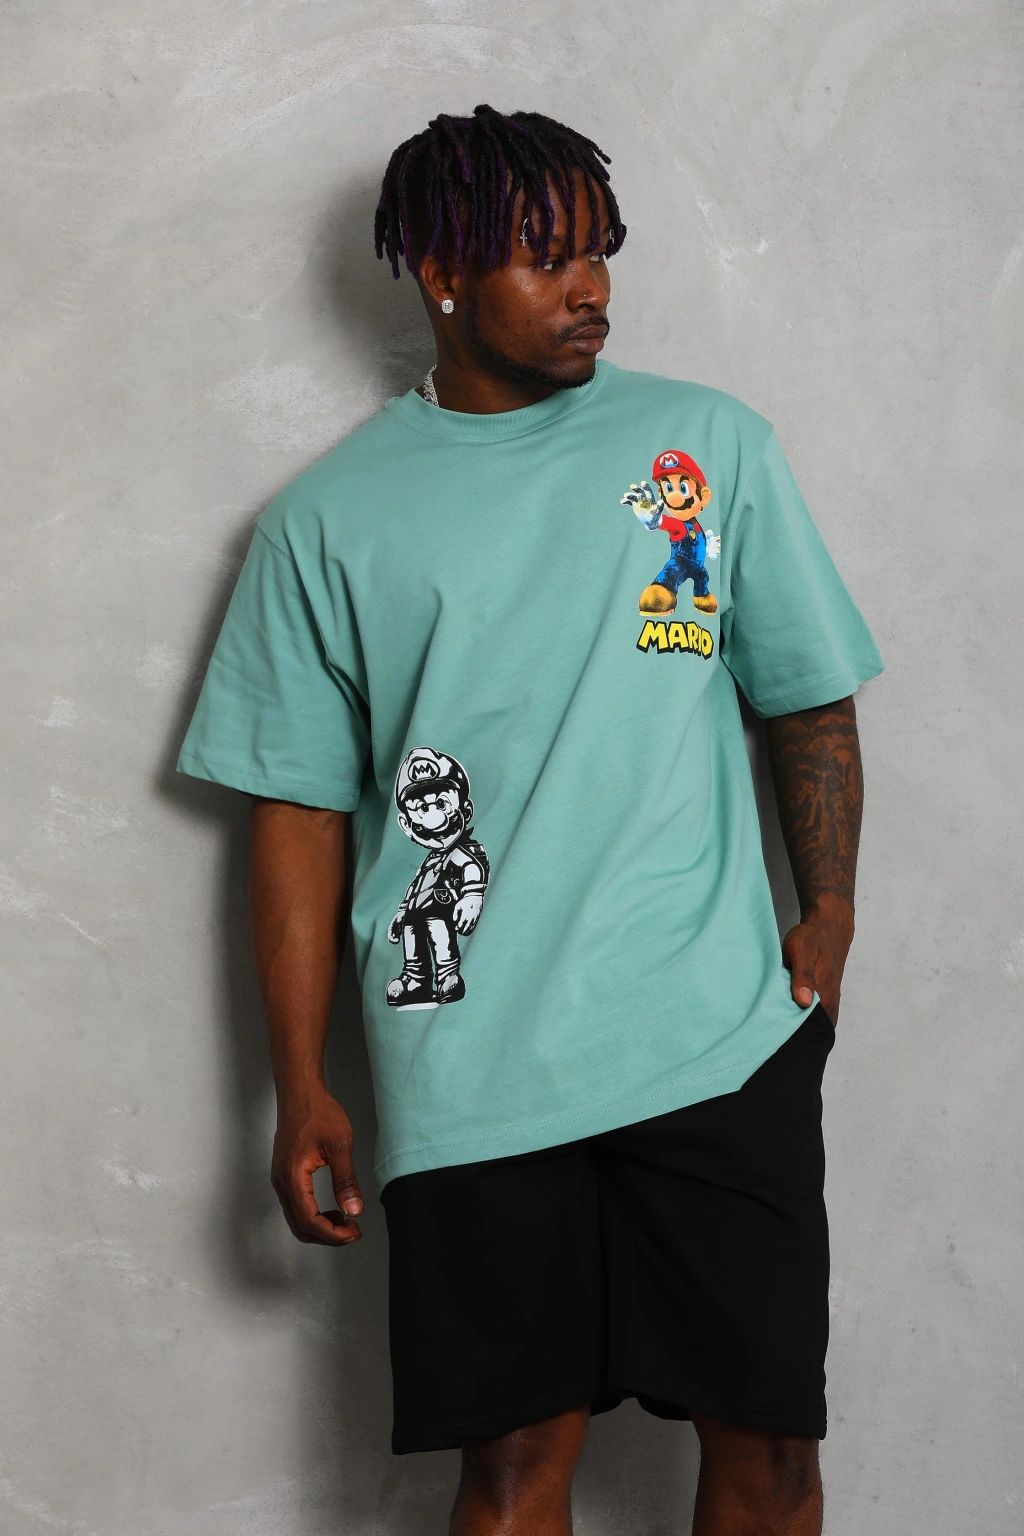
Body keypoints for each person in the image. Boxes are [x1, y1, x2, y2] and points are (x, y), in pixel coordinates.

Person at [177, 104, 883, 1536]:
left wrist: (829, 914)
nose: (591, 289)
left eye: (599, 253)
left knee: (772, 1458)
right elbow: (297, 814)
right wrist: (299, 1082)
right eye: (547, 258)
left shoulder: (701, 450)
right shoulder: (327, 524)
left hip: (711, 1036)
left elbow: (803, 697)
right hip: (471, 1066)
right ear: (442, 273)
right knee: (509, 1475)